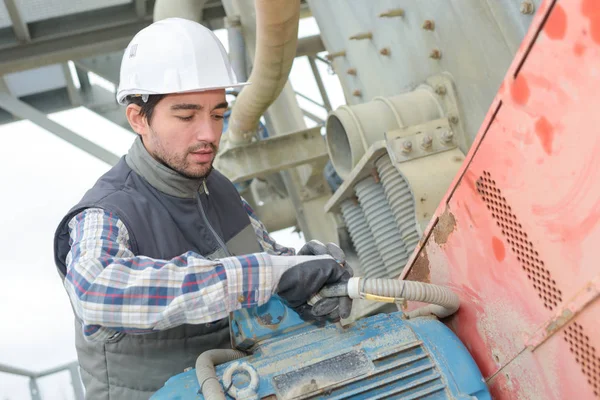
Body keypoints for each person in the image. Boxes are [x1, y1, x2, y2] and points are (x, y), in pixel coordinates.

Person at [52, 17, 352, 399]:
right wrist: (269, 273)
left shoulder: (222, 195)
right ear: (138, 118)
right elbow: (97, 290)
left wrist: (309, 281)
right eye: (186, 115)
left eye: (217, 113)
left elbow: (267, 265)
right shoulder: (106, 213)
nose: (209, 133)